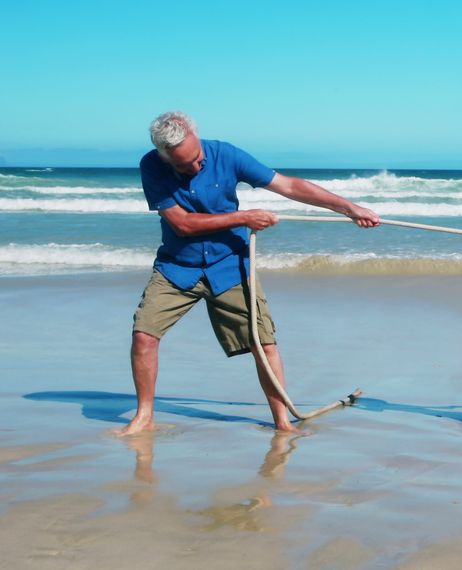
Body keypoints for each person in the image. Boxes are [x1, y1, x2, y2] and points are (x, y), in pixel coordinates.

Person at [118, 111, 380, 436]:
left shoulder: (225, 154)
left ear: (197, 138)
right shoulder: (151, 166)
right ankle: (145, 416)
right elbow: (182, 224)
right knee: (143, 337)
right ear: (164, 156)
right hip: (177, 266)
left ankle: (282, 422)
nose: (195, 168)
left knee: (264, 344)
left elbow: (288, 185)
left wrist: (349, 208)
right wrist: (243, 218)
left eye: (197, 159)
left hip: (230, 264)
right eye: (184, 166)